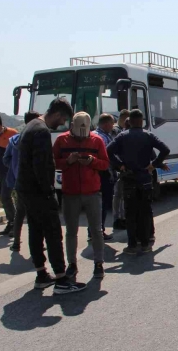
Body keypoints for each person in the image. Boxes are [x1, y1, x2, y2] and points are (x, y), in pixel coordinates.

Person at [16, 98, 86, 294]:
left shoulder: (31, 125)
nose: (62, 124)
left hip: (26, 190)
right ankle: (62, 279)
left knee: (36, 231)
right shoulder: (41, 131)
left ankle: (41, 275)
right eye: (63, 119)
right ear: (57, 114)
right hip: (39, 192)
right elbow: (41, 165)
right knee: (53, 233)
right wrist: (49, 192)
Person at [53, 112, 109, 279]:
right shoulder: (61, 141)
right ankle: (72, 263)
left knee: (96, 230)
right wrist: (68, 161)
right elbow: (53, 162)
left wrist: (92, 161)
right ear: (72, 126)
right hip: (70, 193)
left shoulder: (97, 140)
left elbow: (105, 164)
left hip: (92, 192)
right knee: (71, 231)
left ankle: (99, 263)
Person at [107, 109, 170, 254]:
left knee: (130, 213)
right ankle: (146, 243)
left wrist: (119, 164)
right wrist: (153, 164)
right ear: (141, 121)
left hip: (129, 179)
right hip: (145, 179)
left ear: (129, 120)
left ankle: (132, 245)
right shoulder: (148, 135)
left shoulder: (122, 136)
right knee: (145, 211)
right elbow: (165, 149)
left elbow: (107, 151)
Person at [3, 111, 40, 251]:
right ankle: (36, 244)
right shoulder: (37, 139)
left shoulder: (14, 140)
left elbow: (6, 159)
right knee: (35, 214)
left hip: (19, 182)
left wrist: (15, 169)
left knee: (20, 212)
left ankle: (16, 242)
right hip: (35, 182)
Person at [92, 114, 117, 241]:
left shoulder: (93, 134)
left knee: (95, 204)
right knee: (104, 203)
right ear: (106, 124)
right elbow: (109, 157)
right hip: (104, 174)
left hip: (94, 174)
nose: (113, 126)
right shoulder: (102, 138)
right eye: (112, 124)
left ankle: (93, 231)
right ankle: (99, 231)